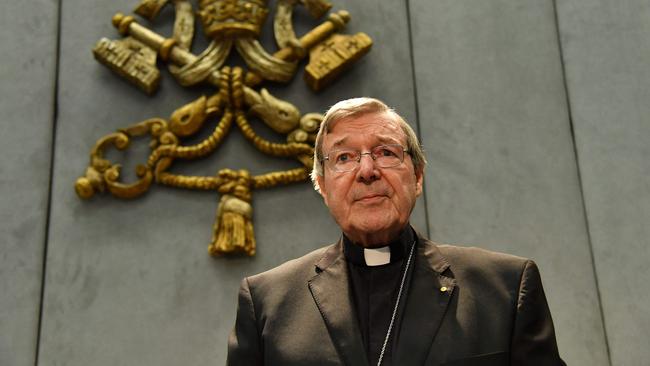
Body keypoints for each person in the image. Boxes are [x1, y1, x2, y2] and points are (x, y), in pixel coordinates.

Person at [227, 97, 565, 365]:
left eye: (386, 152)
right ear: (322, 186)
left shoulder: (503, 288)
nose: (367, 170)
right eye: (344, 157)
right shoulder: (268, 303)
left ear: (417, 177)